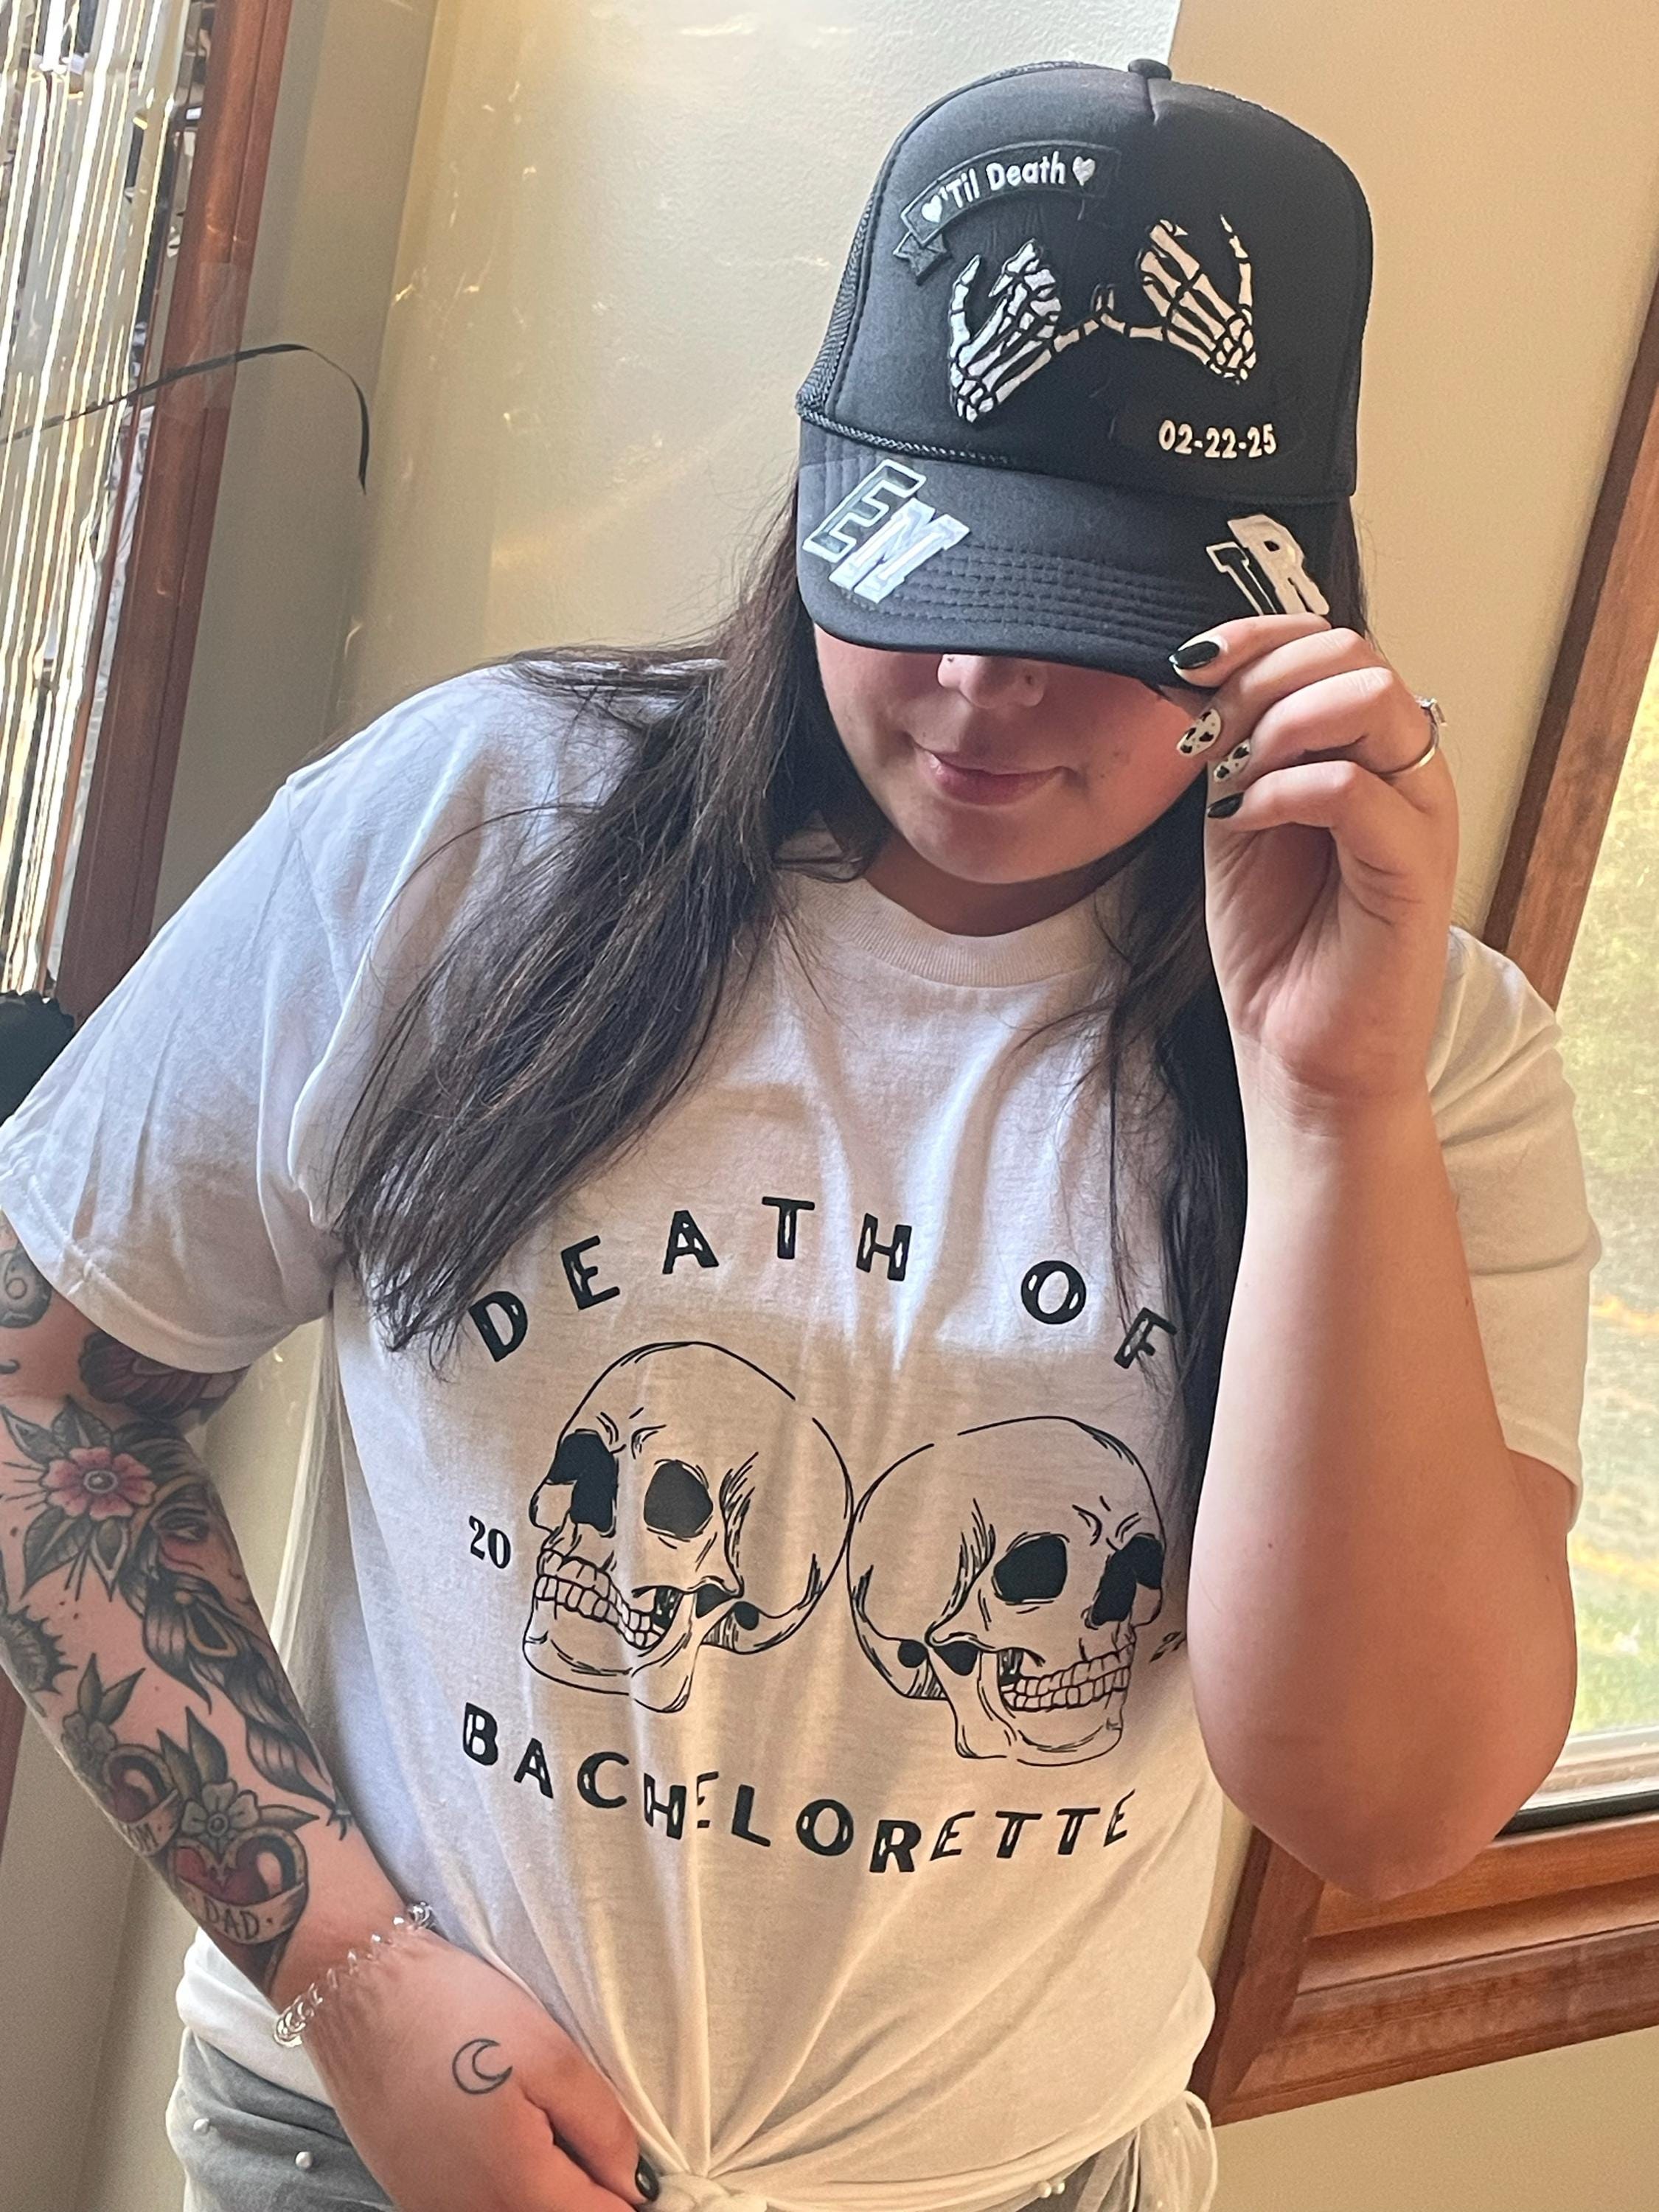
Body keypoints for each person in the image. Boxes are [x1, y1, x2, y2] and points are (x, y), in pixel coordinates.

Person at [0, 56, 1596, 2212]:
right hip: (387, 2140)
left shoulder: (1436, 1062)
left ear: (1284, 612)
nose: (978, 695)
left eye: (1087, 619)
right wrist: (351, 1974)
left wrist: (1330, 1105)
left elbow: (1384, 1808)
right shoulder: (466, 836)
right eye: (924, 571)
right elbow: (42, 1396)